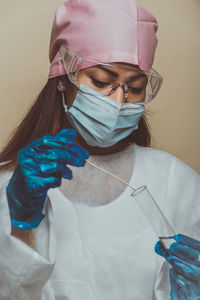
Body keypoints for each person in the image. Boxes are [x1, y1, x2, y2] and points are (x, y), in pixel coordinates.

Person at [0, 0, 200, 299]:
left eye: (135, 86)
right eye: (102, 81)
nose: (119, 101)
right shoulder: (17, 182)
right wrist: (18, 225)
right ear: (62, 78)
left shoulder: (176, 180)